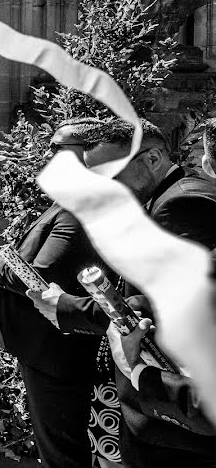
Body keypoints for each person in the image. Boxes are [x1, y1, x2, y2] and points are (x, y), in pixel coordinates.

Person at [46, 119, 216, 467]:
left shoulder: (181, 204)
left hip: (176, 427)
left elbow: (162, 304)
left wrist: (66, 307)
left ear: (153, 158)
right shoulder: (165, 198)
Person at [0, 119, 106, 468]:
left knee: (61, 452)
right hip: (46, 349)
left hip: (55, 352)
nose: (50, 159)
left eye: (59, 150)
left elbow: (39, 277)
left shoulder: (79, 208)